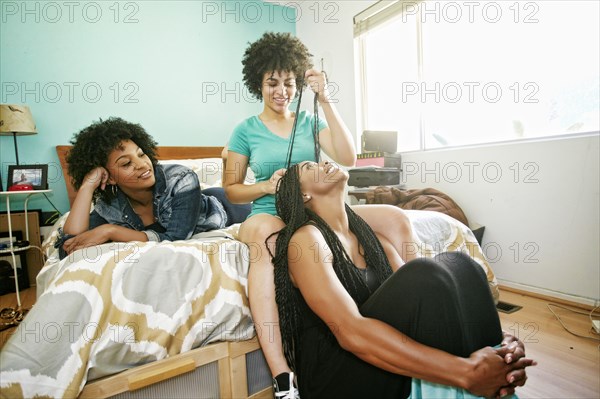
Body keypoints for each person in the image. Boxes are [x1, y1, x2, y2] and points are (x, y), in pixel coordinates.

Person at [223, 32, 415, 397]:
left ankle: (413, 313)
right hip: (270, 210)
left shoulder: (311, 121)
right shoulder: (245, 130)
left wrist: (325, 98)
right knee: (269, 241)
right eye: (272, 83)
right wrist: (266, 185)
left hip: (316, 210)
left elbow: (348, 156)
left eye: (289, 83)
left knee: (396, 219)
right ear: (258, 85)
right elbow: (232, 187)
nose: (281, 91)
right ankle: (282, 375)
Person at [271, 160, 536, 398]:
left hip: (380, 363)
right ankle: (476, 378)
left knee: (461, 264)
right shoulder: (306, 241)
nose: (323, 162)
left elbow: (428, 302)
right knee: (426, 273)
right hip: (335, 379)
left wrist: (501, 342)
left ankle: (498, 367)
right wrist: (464, 371)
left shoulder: (373, 239)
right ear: (303, 194)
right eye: (308, 167)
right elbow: (350, 332)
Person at [57, 117, 250, 258]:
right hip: (194, 201)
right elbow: (70, 244)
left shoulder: (182, 178)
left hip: (225, 207)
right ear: (111, 178)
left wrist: (110, 231)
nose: (142, 165)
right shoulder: (111, 205)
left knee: (271, 207)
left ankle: (228, 159)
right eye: (126, 164)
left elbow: (176, 239)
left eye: (141, 155)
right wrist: (88, 186)